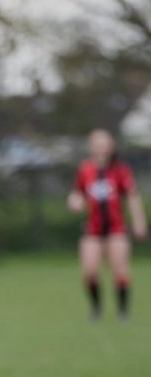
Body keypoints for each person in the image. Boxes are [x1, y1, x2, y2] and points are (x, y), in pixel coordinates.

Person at [67, 128, 146, 321]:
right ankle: (96, 308)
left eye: (104, 144)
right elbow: (77, 193)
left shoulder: (120, 170)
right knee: (90, 271)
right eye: (97, 144)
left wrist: (139, 221)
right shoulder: (84, 170)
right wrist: (74, 201)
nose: (101, 148)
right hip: (92, 230)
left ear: (111, 146)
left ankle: (123, 311)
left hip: (116, 228)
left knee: (120, 270)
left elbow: (132, 197)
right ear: (91, 147)